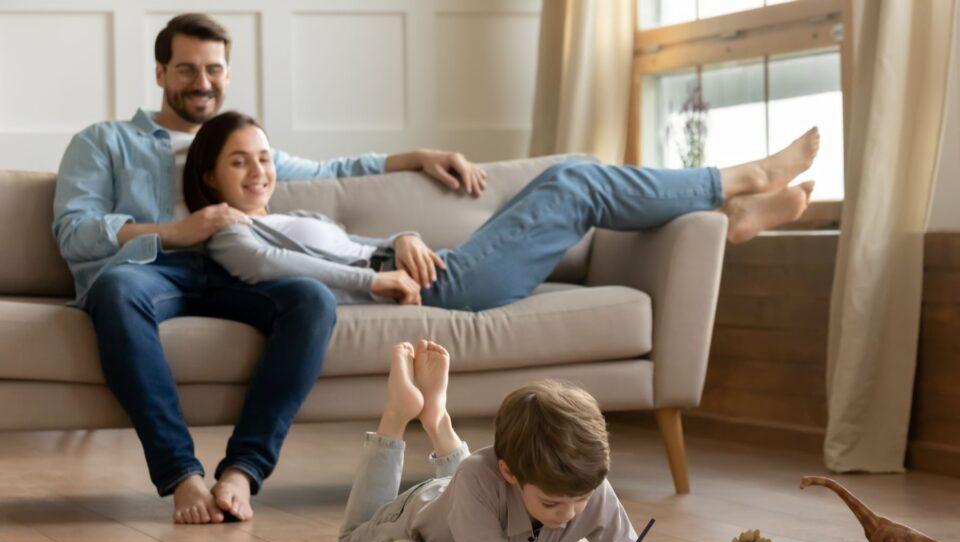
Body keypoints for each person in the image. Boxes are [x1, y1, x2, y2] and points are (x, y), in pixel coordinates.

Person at [52, 13, 487, 525]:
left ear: (228, 74)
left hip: (240, 267)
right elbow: (73, 231)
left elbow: (333, 171)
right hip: (155, 267)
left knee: (311, 297)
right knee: (118, 288)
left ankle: (243, 470)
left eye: (214, 69)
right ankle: (181, 476)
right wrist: (175, 230)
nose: (202, 82)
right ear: (160, 73)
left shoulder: (239, 143)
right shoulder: (104, 141)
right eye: (186, 69)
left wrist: (417, 155)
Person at [188, 111, 820, 311]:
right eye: (240, 162)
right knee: (576, 185)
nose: (260, 172)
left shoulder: (289, 210)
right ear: (210, 175)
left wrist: (403, 234)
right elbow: (276, 271)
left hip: (430, 265)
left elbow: (351, 240)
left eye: (265, 158)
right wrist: (377, 278)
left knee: (568, 173)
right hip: (430, 289)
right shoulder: (226, 232)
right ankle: (739, 182)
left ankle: (732, 209)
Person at [338, 340, 655, 542]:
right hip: (422, 505)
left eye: (581, 500)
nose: (570, 514)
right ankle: (397, 413)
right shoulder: (479, 478)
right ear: (510, 472)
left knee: (474, 482)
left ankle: (436, 417)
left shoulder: (588, 481)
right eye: (551, 503)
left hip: (472, 494)